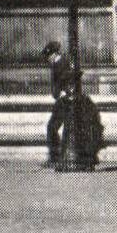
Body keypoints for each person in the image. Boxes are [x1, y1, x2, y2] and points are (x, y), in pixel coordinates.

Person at [42, 39, 73, 169]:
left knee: (55, 127)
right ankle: (56, 157)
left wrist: (65, 92)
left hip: (65, 100)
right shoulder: (58, 63)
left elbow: (69, 79)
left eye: (48, 56)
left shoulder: (62, 62)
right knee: (53, 127)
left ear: (53, 54)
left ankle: (58, 158)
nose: (47, 59)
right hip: (62, 100)